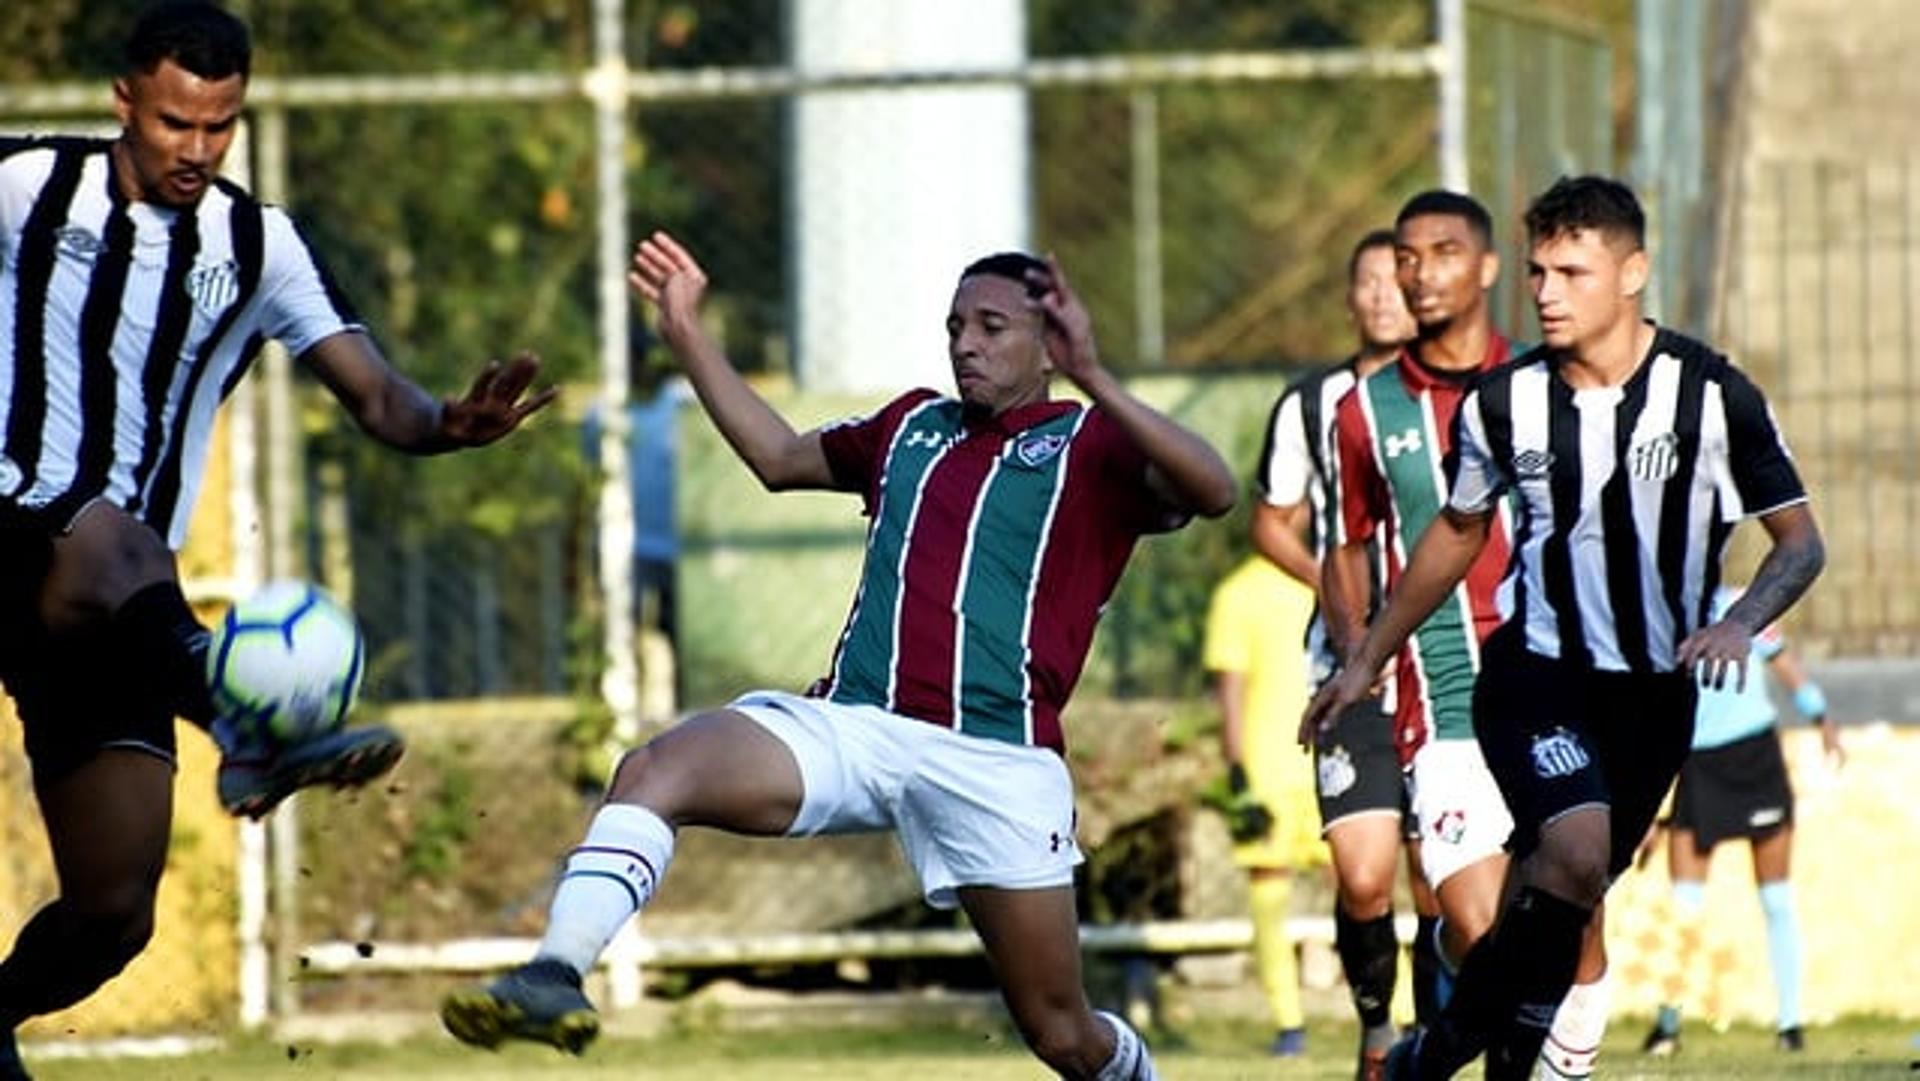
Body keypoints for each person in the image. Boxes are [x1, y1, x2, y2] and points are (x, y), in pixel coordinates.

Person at [440, 230, 1236, 1080]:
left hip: (994, 757)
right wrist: (687, 335)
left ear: (1050, 343)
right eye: (955, 324)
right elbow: (780, 459)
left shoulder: (1093, 443)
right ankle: (555, 970)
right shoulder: (911, 426)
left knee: (1061, 1032)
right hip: (854, 726)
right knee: (654, 769)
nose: (966, 341)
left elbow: (1215, 489)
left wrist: (1098, 376)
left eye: (992, 325)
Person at [0, 4, 554, 1076]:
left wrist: (448, 422)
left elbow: (377, 395)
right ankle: (240, 724)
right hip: (15, 535)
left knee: (114, 912)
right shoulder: (25, 188)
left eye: (220, 127)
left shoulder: (260, 245)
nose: (195, 151)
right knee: (110, 534)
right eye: (174, 124)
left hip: (119, 607)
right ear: (123, 101)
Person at [1306, 175, 1826, 1081]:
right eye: (1539, 271)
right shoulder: (1506, 403)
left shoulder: (1714, 396)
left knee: (1567, 896)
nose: (1545, 293)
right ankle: (1436, 1058)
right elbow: (1455, 534)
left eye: (1571, 272)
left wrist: (1741, 621)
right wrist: (1365, 660)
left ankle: (1463, 1052)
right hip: (1537, 675)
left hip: (1655, 699)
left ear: (1632, 274)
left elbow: (1801, 543)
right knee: (1574, 853)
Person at [1323, 192, 1618, 1081]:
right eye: (1406, 256)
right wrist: (1357, 652)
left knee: (1573, 925)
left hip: (1555, 693)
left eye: (1444, 251)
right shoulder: (1363, 411)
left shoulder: (1550, 382)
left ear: (1490, 268)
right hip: (1442, 702)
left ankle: (1521, 1051)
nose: (1420, 272)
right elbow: (1346, 546)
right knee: (1487, 929)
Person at [1253, 228, 1440, 1077]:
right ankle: (1374, 1026)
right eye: (1364, 280)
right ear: (1349, 295)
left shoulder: (1460, 395)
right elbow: (1272, 523)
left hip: (1441, 656)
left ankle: (1437, 1038)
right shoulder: (1310, 403)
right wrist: (1344, 600)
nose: (1380, 295)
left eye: (1393, 278)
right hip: (1346, 664)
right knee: (1364, 875)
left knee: (1439, 872)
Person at [1639, 584, 1843, 1057]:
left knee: (1776, 898)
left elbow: (1782, 660)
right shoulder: (1662, 607)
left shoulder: (1745, 601)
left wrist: (1821, 717)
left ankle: (1791, 1023)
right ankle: (1668, 1024)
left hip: (1754, 756)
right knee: (1685, 901)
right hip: (1698, 762)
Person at [1200, 554, 1324, 1057]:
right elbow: (1231, 690)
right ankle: (1290, 1024)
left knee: (1365, 887)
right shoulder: (1240, 591)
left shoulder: (1324, 576)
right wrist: (1239, 777)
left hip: (1309, 763)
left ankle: (1398, 1012)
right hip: (1281, 768)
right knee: (1355, 890)